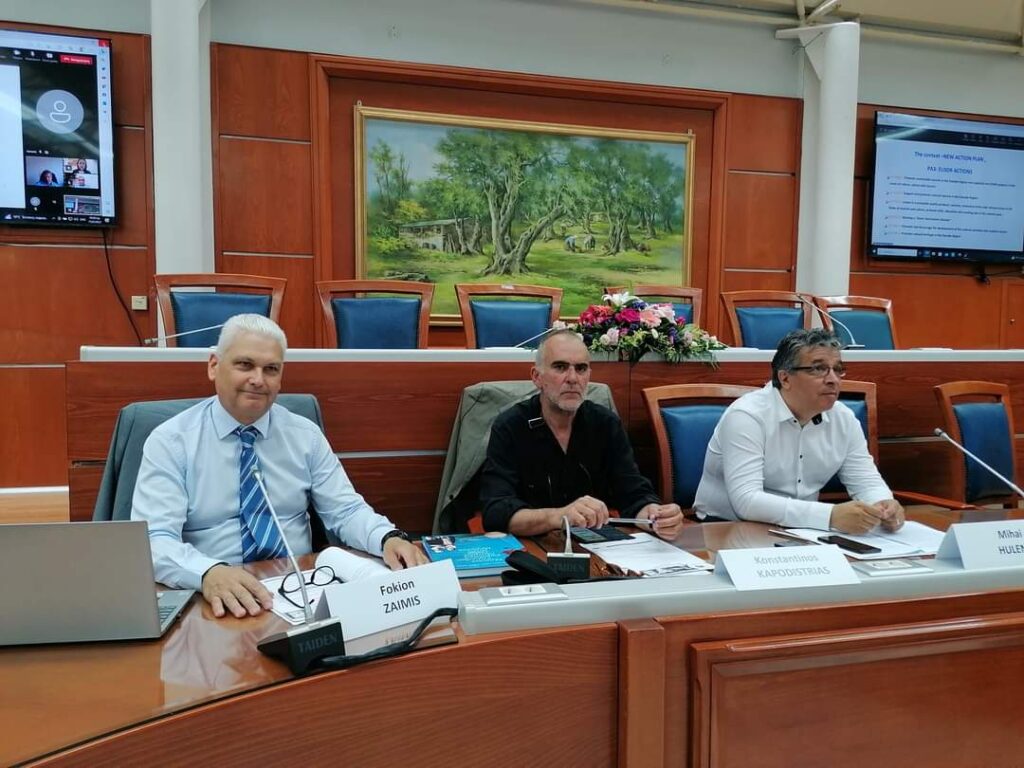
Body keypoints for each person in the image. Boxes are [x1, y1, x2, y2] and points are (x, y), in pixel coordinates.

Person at [131, 314, 426, 618]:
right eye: (245, 365)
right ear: (213, 366)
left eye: (271, 369)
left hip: (299, 588)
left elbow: (346, 510)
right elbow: (154, 540)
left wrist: (387, 537)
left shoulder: (305, 435)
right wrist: (207, 572)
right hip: (214, 595)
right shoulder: (172, 441)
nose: (258, 380)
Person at [693, 328, 904, 534]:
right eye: (818, 369)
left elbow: (865, 480)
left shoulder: (844, 418)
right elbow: (747, 502)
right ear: (785, 378)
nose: (833, 379)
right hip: (725, 528)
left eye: (838, 369)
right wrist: (829, 516)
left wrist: (882, 504)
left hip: (804, 530)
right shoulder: (747, 416)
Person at [480, 328, 684, 539]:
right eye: (560, 367)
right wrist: (559, 516)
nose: (572, 378)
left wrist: (654, 516)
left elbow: (633, 493)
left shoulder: (605, 423)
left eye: (581, 368)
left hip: (594, 546)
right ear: (537, 377)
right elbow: (496, 512)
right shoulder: (510, 426)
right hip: (531, 546)